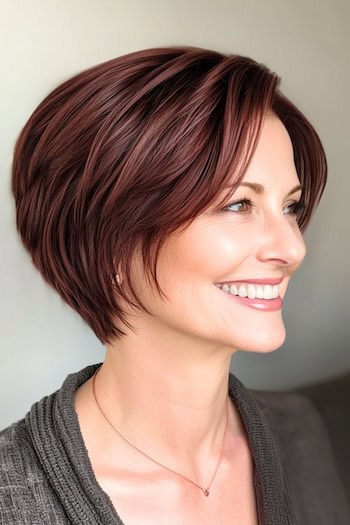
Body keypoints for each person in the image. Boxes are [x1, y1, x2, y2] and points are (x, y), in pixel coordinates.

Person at [0, 46, 348, 524]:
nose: (292, 248)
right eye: (238, 205)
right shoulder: (11, 498)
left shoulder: (306, 433)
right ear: (110, 245)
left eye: (290, 207)